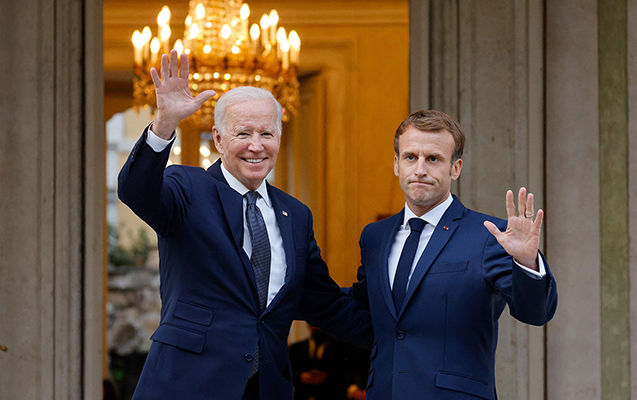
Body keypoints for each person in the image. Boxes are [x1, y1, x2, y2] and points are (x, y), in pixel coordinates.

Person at [118, 50, 372, 400]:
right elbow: (136, 191)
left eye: (267, 133)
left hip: (265, 388)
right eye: (243, 133)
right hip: (186, 385)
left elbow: (327, 305)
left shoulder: (296, 215)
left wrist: (410, 328)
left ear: (279, 138)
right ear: (218, 139)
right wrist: (164, 124)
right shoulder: (188, 188)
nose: (256, 146)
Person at [348, 110, 558, 399]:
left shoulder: (490, 235)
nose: (420, 169)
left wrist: (526, 261)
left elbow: (536, 312)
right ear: (396, 164)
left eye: (433, 159)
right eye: (410, 157)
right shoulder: (375, 237)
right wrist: (296, 294)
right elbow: (362, 314)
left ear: (455, 168)